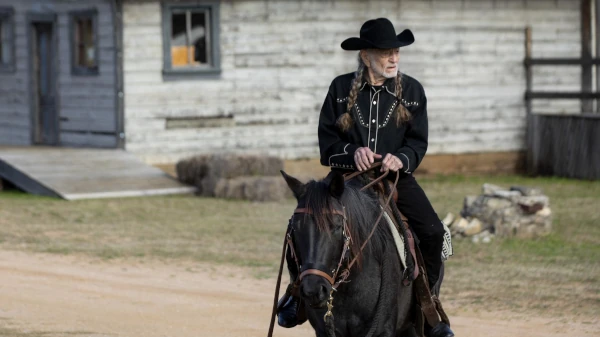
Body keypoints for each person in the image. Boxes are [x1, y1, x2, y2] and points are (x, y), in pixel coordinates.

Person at [278, 18, 454, 337]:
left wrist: (400, 158)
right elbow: (327, 142)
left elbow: (417, 142)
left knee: (432, 231)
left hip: (395, 180)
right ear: (365, 56)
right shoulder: (340, 88)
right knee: (302, 221)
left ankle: (430, 307)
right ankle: (296, 296)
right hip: (345, 180)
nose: (394, 58)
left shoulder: (412, 91)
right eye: (386, 52)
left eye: (396, 52)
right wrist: (350, 152)